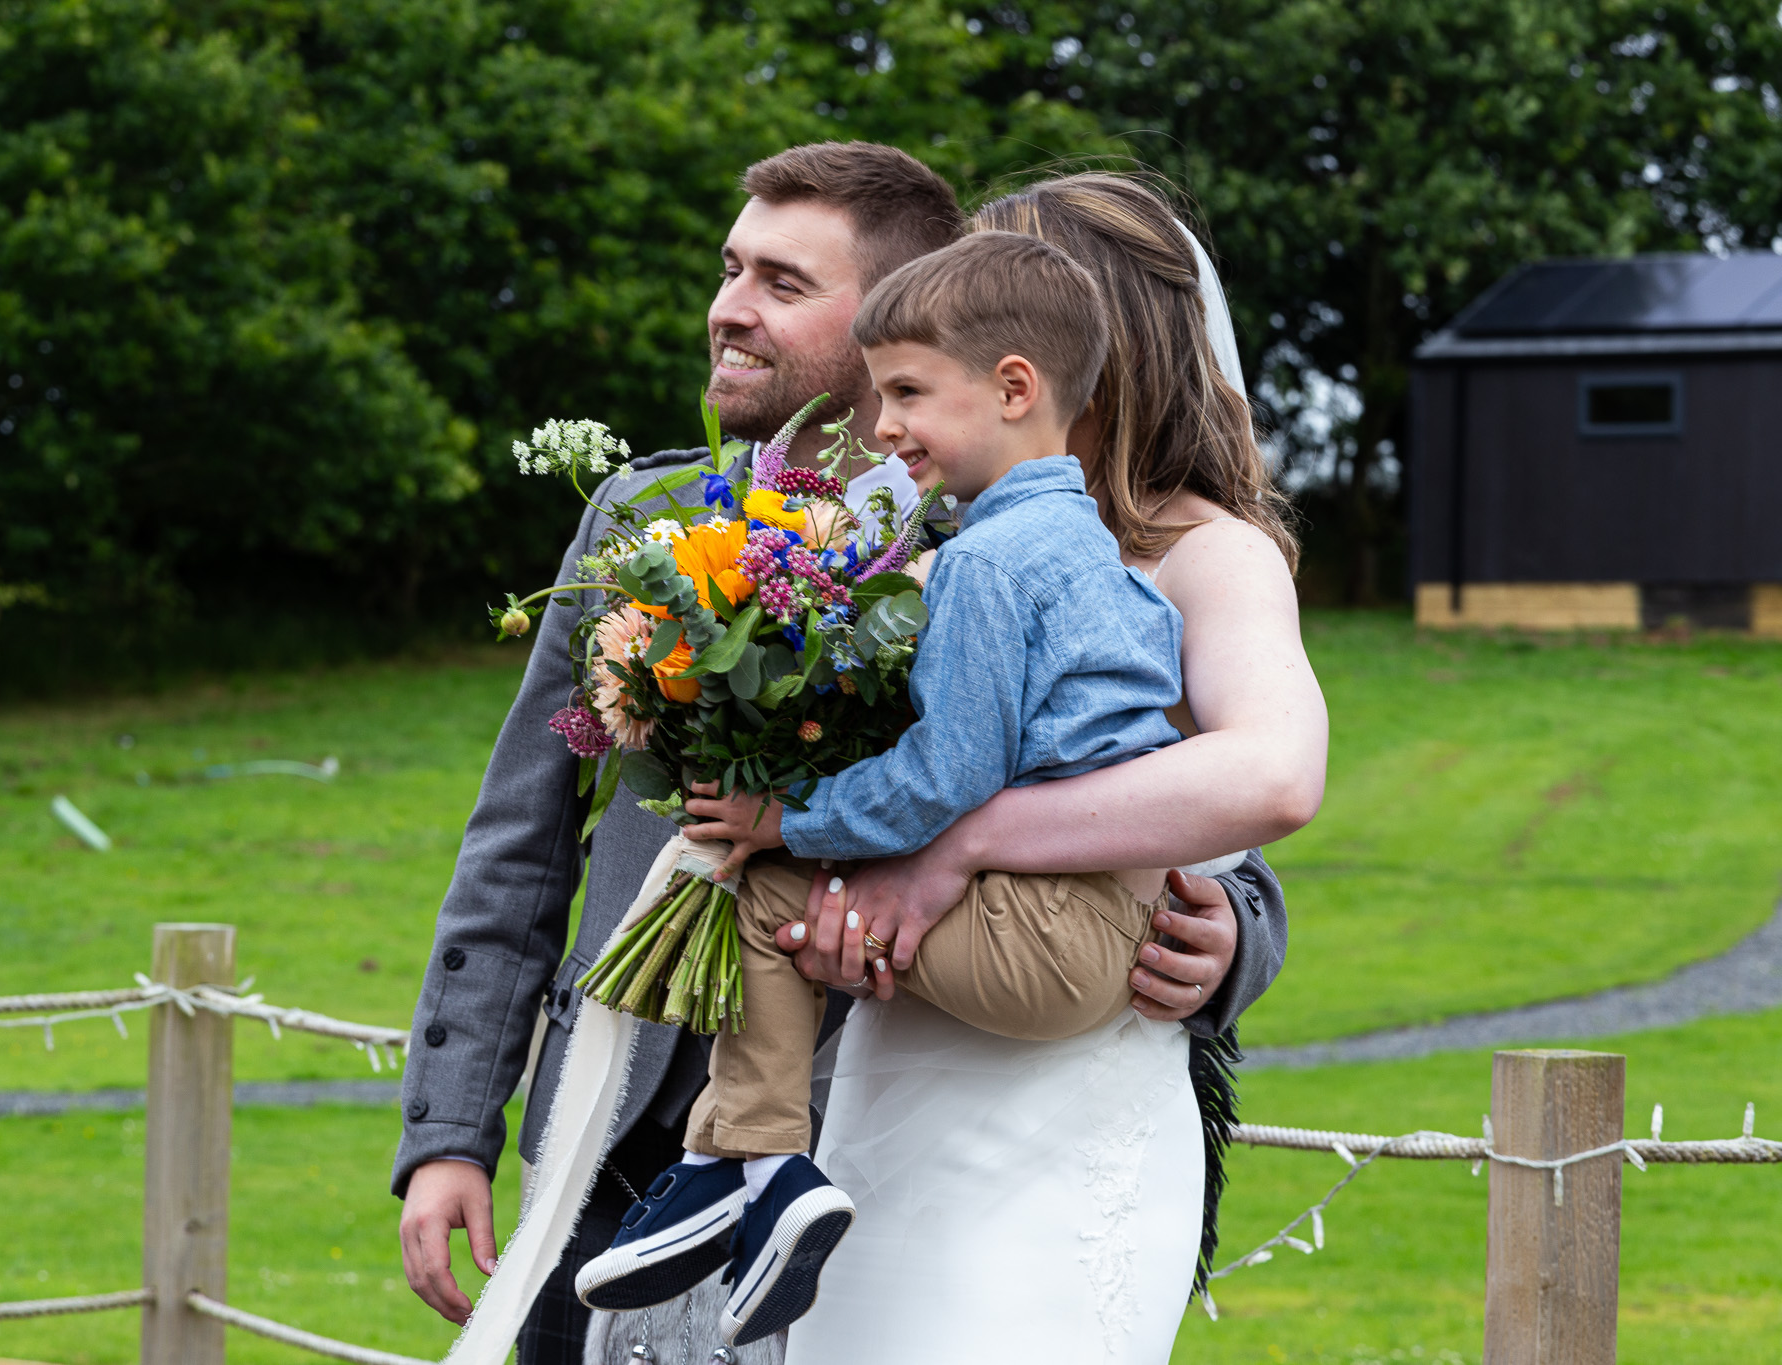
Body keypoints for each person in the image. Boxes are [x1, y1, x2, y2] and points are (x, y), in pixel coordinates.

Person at [392, 145, 1292, 1365]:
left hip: (852, 1145)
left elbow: (1151, 784)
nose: (729, 308)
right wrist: (451, 1131)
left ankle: (751, 1171)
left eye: (781, 283)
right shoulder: (643, 520)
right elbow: (520, 837)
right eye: (729, 269)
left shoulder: (992, 543)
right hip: (605, 1125)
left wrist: (1234, 930)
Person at [574, 228, 1213, 1346]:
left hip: (1045, 933)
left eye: (907, 393)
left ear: (1013, 389)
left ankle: (756, 1169)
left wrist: (784, 818)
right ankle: (735, 1169)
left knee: (767, 894)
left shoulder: (983, 563)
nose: (880, 426)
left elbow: (943, 778)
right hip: (1109, 918)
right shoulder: (1089, 546)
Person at [768, 173, 1328, 1363]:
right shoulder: (939, 545)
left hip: (1057, 1100)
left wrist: (967, 841)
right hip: (897, 1075)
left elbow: (1271, 776)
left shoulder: (1202, 552)